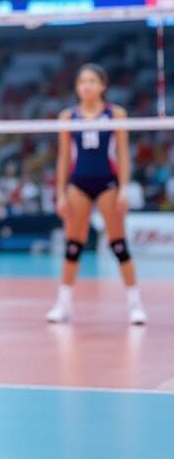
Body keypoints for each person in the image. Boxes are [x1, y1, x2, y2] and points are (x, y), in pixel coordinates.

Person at [48, 63, 147, 325]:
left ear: (102, 85)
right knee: (73, 245)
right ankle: (63, 304)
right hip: (78, 183)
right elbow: (63, 159)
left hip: (107, 183)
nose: (86, 86)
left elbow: (124, 154)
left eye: (92, 81)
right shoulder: (68, 117)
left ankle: (135, 305)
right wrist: (60, 193)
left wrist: (124, 187)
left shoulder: (116, 114)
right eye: (82, 82)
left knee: (118, 244)